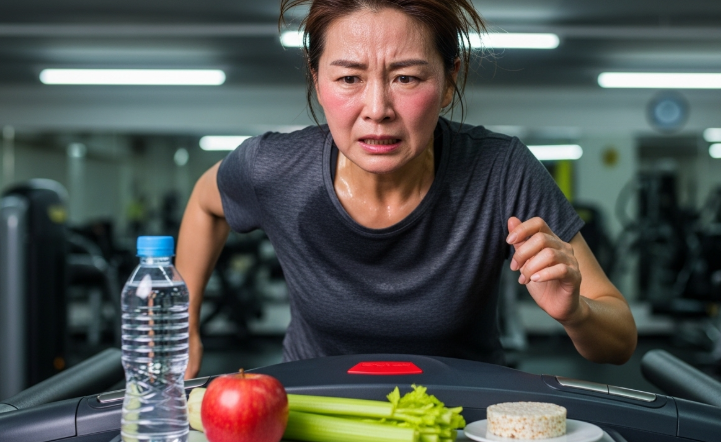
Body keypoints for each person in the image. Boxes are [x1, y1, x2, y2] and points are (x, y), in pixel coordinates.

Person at [177, 0, 637, 379]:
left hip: (461, 418)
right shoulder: (273, 168)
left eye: (406, 78)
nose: (377, 109)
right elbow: (205, 203)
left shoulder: (499, 170)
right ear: (316, 78)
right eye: (349, 78)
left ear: (449, 79)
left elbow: (619, 341)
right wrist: (185, 326)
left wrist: (576, 311)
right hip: (314, 411)